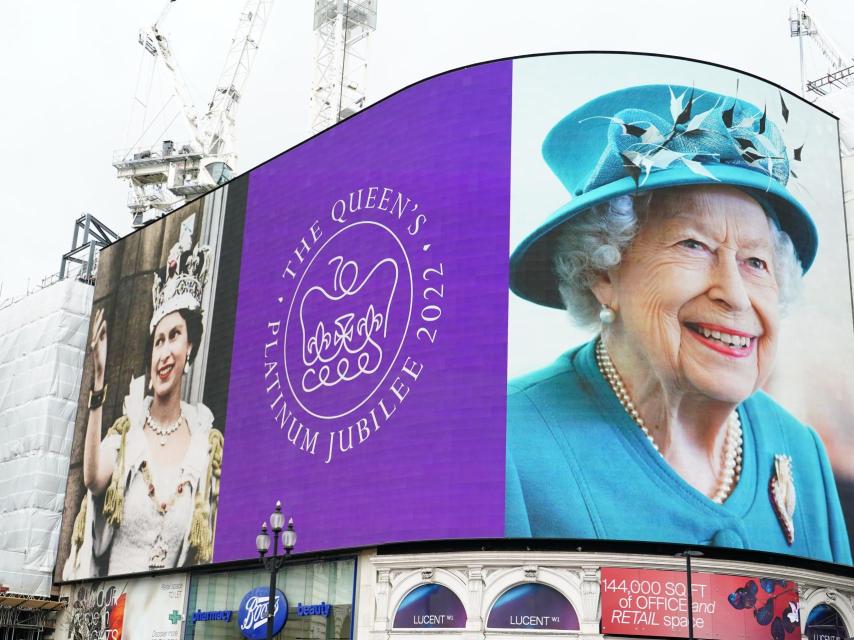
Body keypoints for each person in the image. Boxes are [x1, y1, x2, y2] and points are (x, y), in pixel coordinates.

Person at [506, 83, 852, 564]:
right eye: (694, 245)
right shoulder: (508, 449)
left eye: (756, 262)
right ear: (602, 273)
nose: (734, 293)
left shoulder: (801, 451)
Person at [63, 232, 223, 578]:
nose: (164, 353)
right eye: (158, 341)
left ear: (190, 347)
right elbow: (92, 478)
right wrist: (99, 384)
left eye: (175, 336)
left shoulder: (203, 446)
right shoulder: (128, 433)